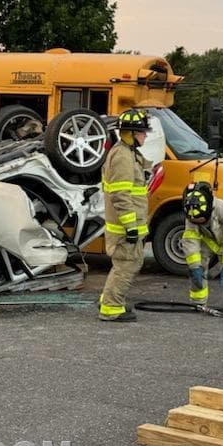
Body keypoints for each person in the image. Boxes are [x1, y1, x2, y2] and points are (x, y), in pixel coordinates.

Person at [98, 108, 151, 322]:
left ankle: (109, 299)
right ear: (130, 133)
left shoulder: (130, 153)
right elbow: (120, 194)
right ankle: (111, 308)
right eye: (142, 132)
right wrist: (130, 226)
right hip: (125, 225)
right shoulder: (122, 156)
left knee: (129, 263)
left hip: (131, 222)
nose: (145, 135)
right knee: (126, 265)